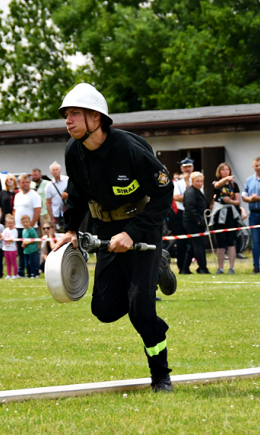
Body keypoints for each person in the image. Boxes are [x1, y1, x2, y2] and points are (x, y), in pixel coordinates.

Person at [53, 82, 176, 393]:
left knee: (141, 309)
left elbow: (164, 192)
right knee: (104, 310)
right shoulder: (73, 151)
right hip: (105, 232)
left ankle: (160, 376)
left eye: (75, 114)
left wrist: (131, 233)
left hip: (142, 229)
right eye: (67, 114)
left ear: (97, 118)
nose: (68, 120)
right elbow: (77, 197)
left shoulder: (129, 150)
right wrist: (70, 230)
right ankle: (157, 271)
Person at [210, 163, 241, 275]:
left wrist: (230, 202)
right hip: (220, 214)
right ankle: (220, 267)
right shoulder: (216, 183)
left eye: (227, 170)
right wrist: (226, 179)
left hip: (231, 214)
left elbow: (238, 201)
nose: (226, 172)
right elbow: (217, 186)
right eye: (223, 170)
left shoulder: (234, 185)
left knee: (231, 241)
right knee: (220, 241)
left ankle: (231, 267)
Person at [13, 174, 42, 277]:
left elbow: (37, 211)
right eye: (23, 182)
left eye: (27, 182)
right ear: (19, 183)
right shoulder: (17, 195)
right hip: (18, 227)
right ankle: (21, 272)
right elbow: (15, 210)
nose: (25, 184)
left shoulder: (34, 195)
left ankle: (34, 272)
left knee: (32, 250)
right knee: (21, 251)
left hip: (30, 228)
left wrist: (31, 225)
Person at [182, 172, 209, 274]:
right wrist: (198, 220)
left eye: (201, 181)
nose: (200, 183)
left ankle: (185, 268)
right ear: (192, 181)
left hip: (197, 221)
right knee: (199, 244)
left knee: (194, 245)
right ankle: (202, 268)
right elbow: (189, 207)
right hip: (193, 222)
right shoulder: (190, 192)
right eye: (197, 181)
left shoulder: (198, 191)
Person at [171, 158, 194, 272]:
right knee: (181, 242)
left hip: (193, 214)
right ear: (181, 168)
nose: (188, 169)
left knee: (194, 242)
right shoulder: (178, 183)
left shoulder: (196, 181)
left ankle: (188, 266)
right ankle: (182, 267)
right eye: (185, 167)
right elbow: (177, 197)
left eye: (189, 166)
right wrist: (190, 199)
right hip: (181, 213)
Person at [46, 162, 69, 232]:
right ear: (51, 172)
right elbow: (47, 203)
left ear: (60, 170)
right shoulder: (49, 185)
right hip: (56, 213)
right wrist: (52, 217)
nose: (55, 171)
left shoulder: (67, 180)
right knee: (59, 232)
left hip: (68, 211)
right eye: (53, 170)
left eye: (56, 169)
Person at [2, 214, 19, 279]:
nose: (10, 224)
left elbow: (12, 239)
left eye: (12, 223)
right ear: (6, 223)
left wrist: (4, 238)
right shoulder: (5, 230)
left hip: (12, 249)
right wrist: (0, 235)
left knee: (13, 262)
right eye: (9, 223)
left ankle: (15, 274)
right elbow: (2, 236)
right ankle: (8, 274)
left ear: (14, 223)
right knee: (8, 263)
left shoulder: (14, 231)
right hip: (6, 248)